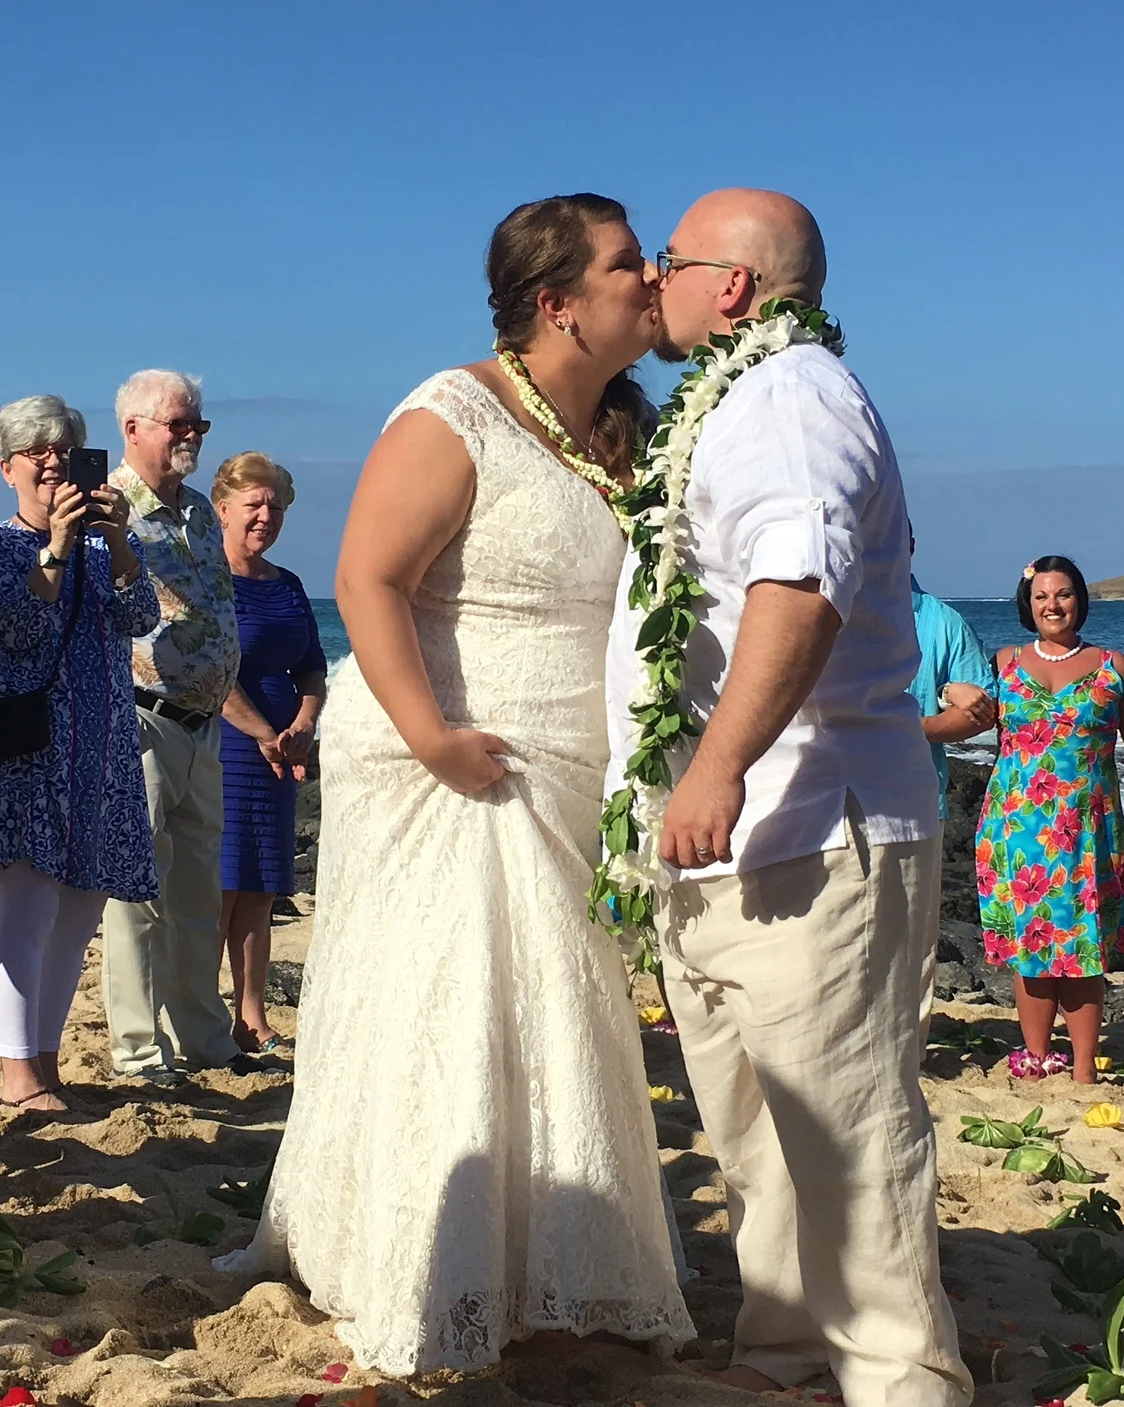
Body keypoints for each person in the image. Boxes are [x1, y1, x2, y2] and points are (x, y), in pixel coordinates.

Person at [219, 194, 693, 1375]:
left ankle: (540, 1254)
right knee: (450, 1004)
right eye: (628, 264)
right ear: (558, 303)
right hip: (451, 758)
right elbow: (368, 578)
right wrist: (434, 739)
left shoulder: (627, 436)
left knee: (555, 1008)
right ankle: (425, 1264)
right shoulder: (453, 414)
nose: (653, 277)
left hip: (571, 762)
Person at [619, 188, 971, 1407]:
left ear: (731, 286)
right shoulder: (722, 404)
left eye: (667, 261)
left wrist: (714, 763)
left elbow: (800, 582)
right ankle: (782, 1359)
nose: (649, 281)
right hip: (728, 843)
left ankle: (898, 1383)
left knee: (849, 1140)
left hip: (810, 825)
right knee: (756, 1140)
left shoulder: (789, 398)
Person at [0, 396, 159, 1111]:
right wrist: (56, 547)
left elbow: (140, 618)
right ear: (8, 465)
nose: (52, 458)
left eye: (64, 446)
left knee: (80, 907)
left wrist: (119, 542)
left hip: (101, 746)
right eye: (36, 448)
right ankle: (17, 1071)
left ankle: (45, 1061)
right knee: (29, 901)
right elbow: (16, 624)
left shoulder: (102, 548)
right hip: (29, 748)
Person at [954, 557, 1124, 1084]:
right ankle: (1038, 1054)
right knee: (1034, 950)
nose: (1053, 605)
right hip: (1017, 832)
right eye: (1042, 596)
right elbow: (956, 704)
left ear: (1080, 599)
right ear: (1028, 602)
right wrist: (944, 694)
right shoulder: (1002, 664)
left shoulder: (1113, 665)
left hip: (1090, 833)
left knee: (1084, 948)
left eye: (1063, 594)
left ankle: (1086, 1067)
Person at [102, 368, 242, 1083]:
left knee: (197, 893)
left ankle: (203, 1033)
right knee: (138, 894)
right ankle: (135, 1047)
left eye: (199, 425)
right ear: (133, 429)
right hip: (141, 719)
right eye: (178, 425)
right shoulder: (110, 510)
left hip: (204, 723)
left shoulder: (195, 513)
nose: (192, 437)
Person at [212, 452, 326, 1056]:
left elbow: (311, 663)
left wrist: (304, 722)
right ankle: (202, 1010)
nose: (266, 516)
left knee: (260, 884)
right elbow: (207, 665)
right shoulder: (208, 579)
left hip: (284, 748)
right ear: (223, 508)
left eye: (276, 506)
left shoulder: (289, 585)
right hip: (228, 743)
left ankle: (251, 1012)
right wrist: (261, 732)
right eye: (254, 504)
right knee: (221, 885)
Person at [908, 535, 994, 821]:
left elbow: (984, 709)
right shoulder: (832, 611)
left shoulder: (945, 623)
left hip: (916, 807)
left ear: (910, 545)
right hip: (824, 802)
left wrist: (911, 730)